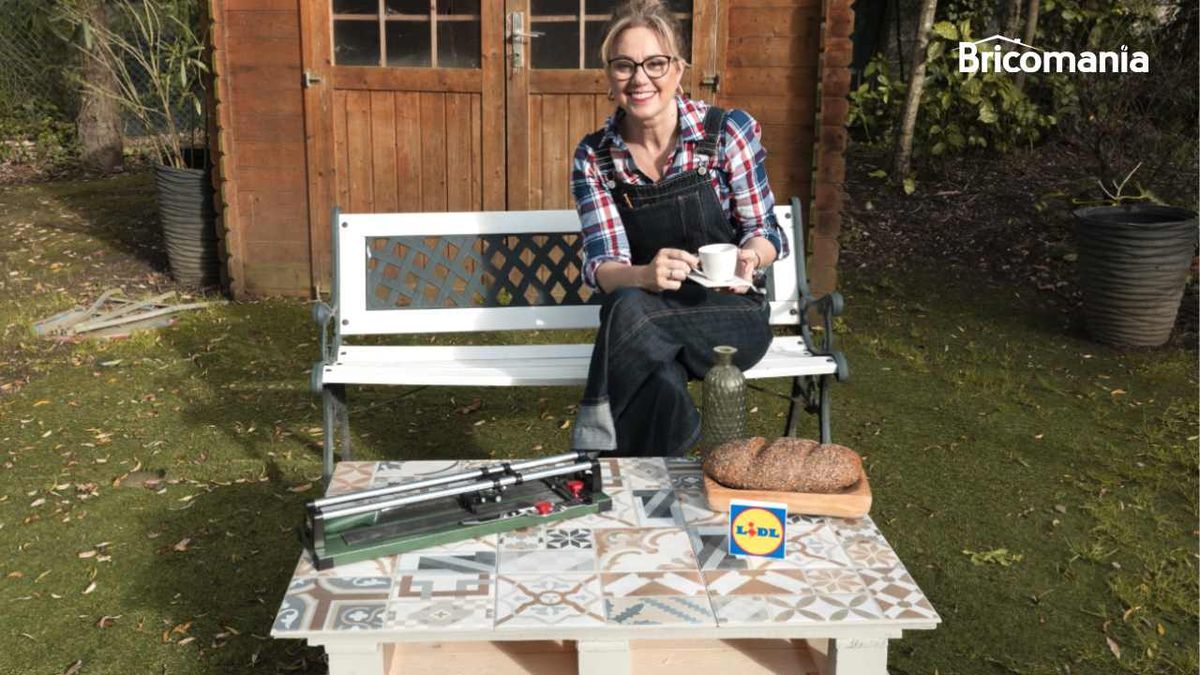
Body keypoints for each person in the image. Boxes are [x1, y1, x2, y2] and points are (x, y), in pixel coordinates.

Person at [570, 0, 788, 458]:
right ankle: (664, 457)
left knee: (628, 311)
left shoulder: (726, 133)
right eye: (624, 65)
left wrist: (751, 256)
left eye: (655, 63)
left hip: (730, 320)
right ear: (609, 76)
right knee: (654, 360)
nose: (640, 78)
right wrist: (644, 275)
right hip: (644, 320)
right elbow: (604, 267)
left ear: (678, 69)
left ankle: (592, 445)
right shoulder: (596, 157)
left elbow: (766, 231)